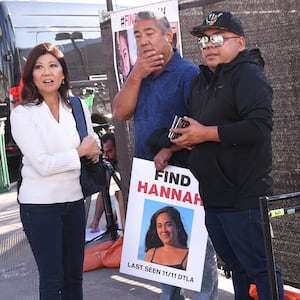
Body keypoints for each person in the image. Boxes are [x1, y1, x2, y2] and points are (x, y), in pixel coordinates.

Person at [170, 11, 285, 300]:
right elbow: (199, 123)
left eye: (218, 37)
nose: (209, 44)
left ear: (241, 42)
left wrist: (205, 134)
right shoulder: (202, 80)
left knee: (261, 269)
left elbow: (259, 127)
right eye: (204, 40)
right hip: (213, 196)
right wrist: (183, 137)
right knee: (236, 268)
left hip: (243, 197)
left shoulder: (248, 75)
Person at [113, 10, 218, 300]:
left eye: (150, 33)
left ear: (168, 35)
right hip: (152, 179)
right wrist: (136, 73)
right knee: (162, 265)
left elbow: (199, 124)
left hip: (187, 179)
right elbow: (120, 113)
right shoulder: (140, 73)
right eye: (137, 35)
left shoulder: (188, 73)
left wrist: (169, 148)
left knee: (195, 255)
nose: (143, 41)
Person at [10, 42, 100, 300]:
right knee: (53, 280)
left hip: (74, 202)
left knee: (75, 278)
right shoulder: (23, 114)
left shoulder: (77, 105)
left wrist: (94, 149)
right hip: (40, 207)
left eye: (52, 65)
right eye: (38, 67)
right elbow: (43, 164)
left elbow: (92, 143)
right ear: (31, 76)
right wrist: (80, 152)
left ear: (62, 73)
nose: (46, 72)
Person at [88, 132, 119, 232]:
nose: (106, 156)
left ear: (117, 147)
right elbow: (103, 191)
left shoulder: (123, 159)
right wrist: (95, 221)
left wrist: (115, 217)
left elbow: (127, 193)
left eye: (109, 151)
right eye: (104, 152)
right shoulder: (107, 162)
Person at [144, 206, 189, 271]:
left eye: (169, 225)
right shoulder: (150, 254)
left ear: (178, 226)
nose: (164, 230)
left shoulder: (189, 256)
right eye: (159, 226)